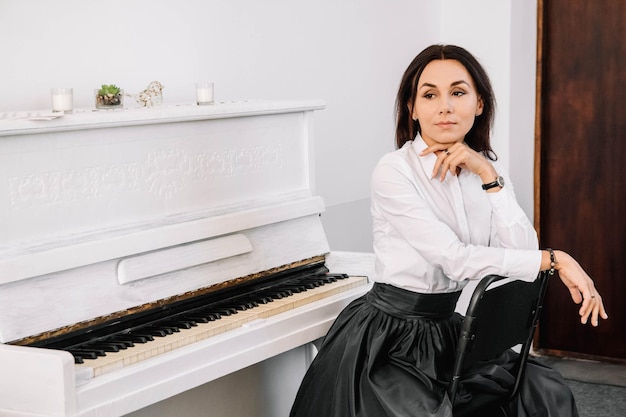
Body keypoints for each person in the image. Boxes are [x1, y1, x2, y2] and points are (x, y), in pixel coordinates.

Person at [289, 44, 609, 417]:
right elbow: (455, 259)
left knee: (543, 390)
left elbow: (521, 252)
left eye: (458, 92)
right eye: (429, 95)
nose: (444, 106)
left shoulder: (484, 166)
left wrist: (490, 177)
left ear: (479, 104)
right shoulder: (394, 171)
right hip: (390, 340)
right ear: (412, 108)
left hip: (447, 332)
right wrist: (556, 260)